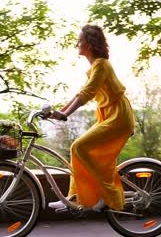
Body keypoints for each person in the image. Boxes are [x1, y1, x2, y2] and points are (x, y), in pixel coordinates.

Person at [49, 24, 135, 212]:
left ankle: (109, 196)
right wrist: (60, 112)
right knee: (79, 150)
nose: (77, 43)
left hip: (118, 116)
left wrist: (65, 114)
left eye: (80, 40)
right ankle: (75, 197)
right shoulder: (96, 66)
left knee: (79, 147)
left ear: (90, 44)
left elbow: (88, 93)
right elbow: (82, 92)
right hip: (109, 115)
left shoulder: (102, 65)